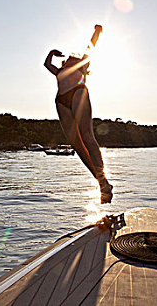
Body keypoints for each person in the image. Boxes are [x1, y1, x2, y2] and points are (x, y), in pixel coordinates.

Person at [44, 24, 113, 204]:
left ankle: (103, 179)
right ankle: (101, 183)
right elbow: (46, 63)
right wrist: (52, 52)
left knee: (87, 136)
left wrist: (97, 32)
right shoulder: (59, 71)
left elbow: (91, 46)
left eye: (72, 57)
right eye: (67, 58)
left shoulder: (82, 65)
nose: (69, 58)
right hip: (61, 100)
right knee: (76, 144)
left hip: (78, 92)